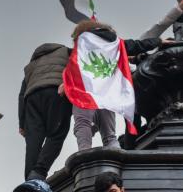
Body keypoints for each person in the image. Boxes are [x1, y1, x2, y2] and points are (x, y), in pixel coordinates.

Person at [69, 21, 163, 151]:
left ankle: (84, 156)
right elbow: (135, 45)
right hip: (106, 91)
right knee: (109, 135)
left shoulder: (83, 41)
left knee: (82, 123)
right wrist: (158, 41)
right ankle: (115, 156)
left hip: (85, 90)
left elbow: (74, 66)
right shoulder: (113, 42)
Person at [19, 43, 73, 180]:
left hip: (32, 98)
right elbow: (79, 66)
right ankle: (39, 172)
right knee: (57, 133)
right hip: (56, 92)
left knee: (33, 141)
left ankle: (29, 181)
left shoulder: (32, 65)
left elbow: (21, 94)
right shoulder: (66, 52)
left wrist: (22, 122)